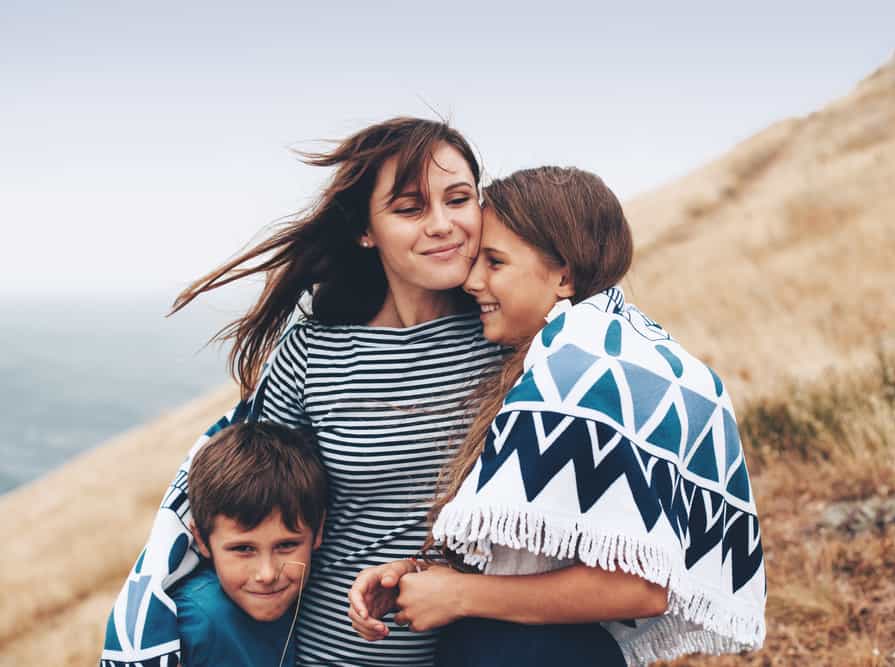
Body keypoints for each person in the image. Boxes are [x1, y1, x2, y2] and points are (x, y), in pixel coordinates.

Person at [102, 117, 503, 667]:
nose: (443, 224)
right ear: (366, 231)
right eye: (410, 209)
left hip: (482, 645)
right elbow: (260, 495)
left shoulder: (512, 340)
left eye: (458, 199)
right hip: (326, 654)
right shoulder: (312, 356)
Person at [348, 167, 767, 666]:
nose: (473, 280)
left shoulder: (583, 375)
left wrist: (459, 595)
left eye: (495, 262)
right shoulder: (595, 352)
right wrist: (423, 573)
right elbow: (546, 543)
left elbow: (639, 588)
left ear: (564, 275)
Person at [173, 422, 326, 666]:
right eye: (243, 549)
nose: (267, 574)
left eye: (286, 545)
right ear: (201, 539)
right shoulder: (195, 623)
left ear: (318, 530)